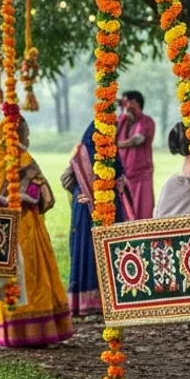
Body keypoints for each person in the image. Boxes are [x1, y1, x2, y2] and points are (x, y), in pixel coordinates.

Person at [0, 118, 74, 348]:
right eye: (25, 132)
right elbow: (45, 195)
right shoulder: (22, 159)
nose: (27, 138)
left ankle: (8, 329)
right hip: (26, 225)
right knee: (30, 274)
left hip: (2, 228)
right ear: (17, 135)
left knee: (9, 275)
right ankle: (33, 330)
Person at [62, 121, 132, 317]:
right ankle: (90, 301)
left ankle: (107, 298)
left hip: (103, 203)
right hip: (87, 206)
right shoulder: (87, 152)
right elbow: (116, 173)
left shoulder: (106, 149)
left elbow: (117, 172)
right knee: (88, 248)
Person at [116, 90, 156, 220]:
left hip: (141, 176)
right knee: (124, 213)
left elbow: (137, 139)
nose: (125, 107)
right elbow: (111, 134)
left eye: (127, 103)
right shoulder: (121, 121)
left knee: (142, 213)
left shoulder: (146, 121)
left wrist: (115, 145)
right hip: (123, 176)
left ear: (136, 103)